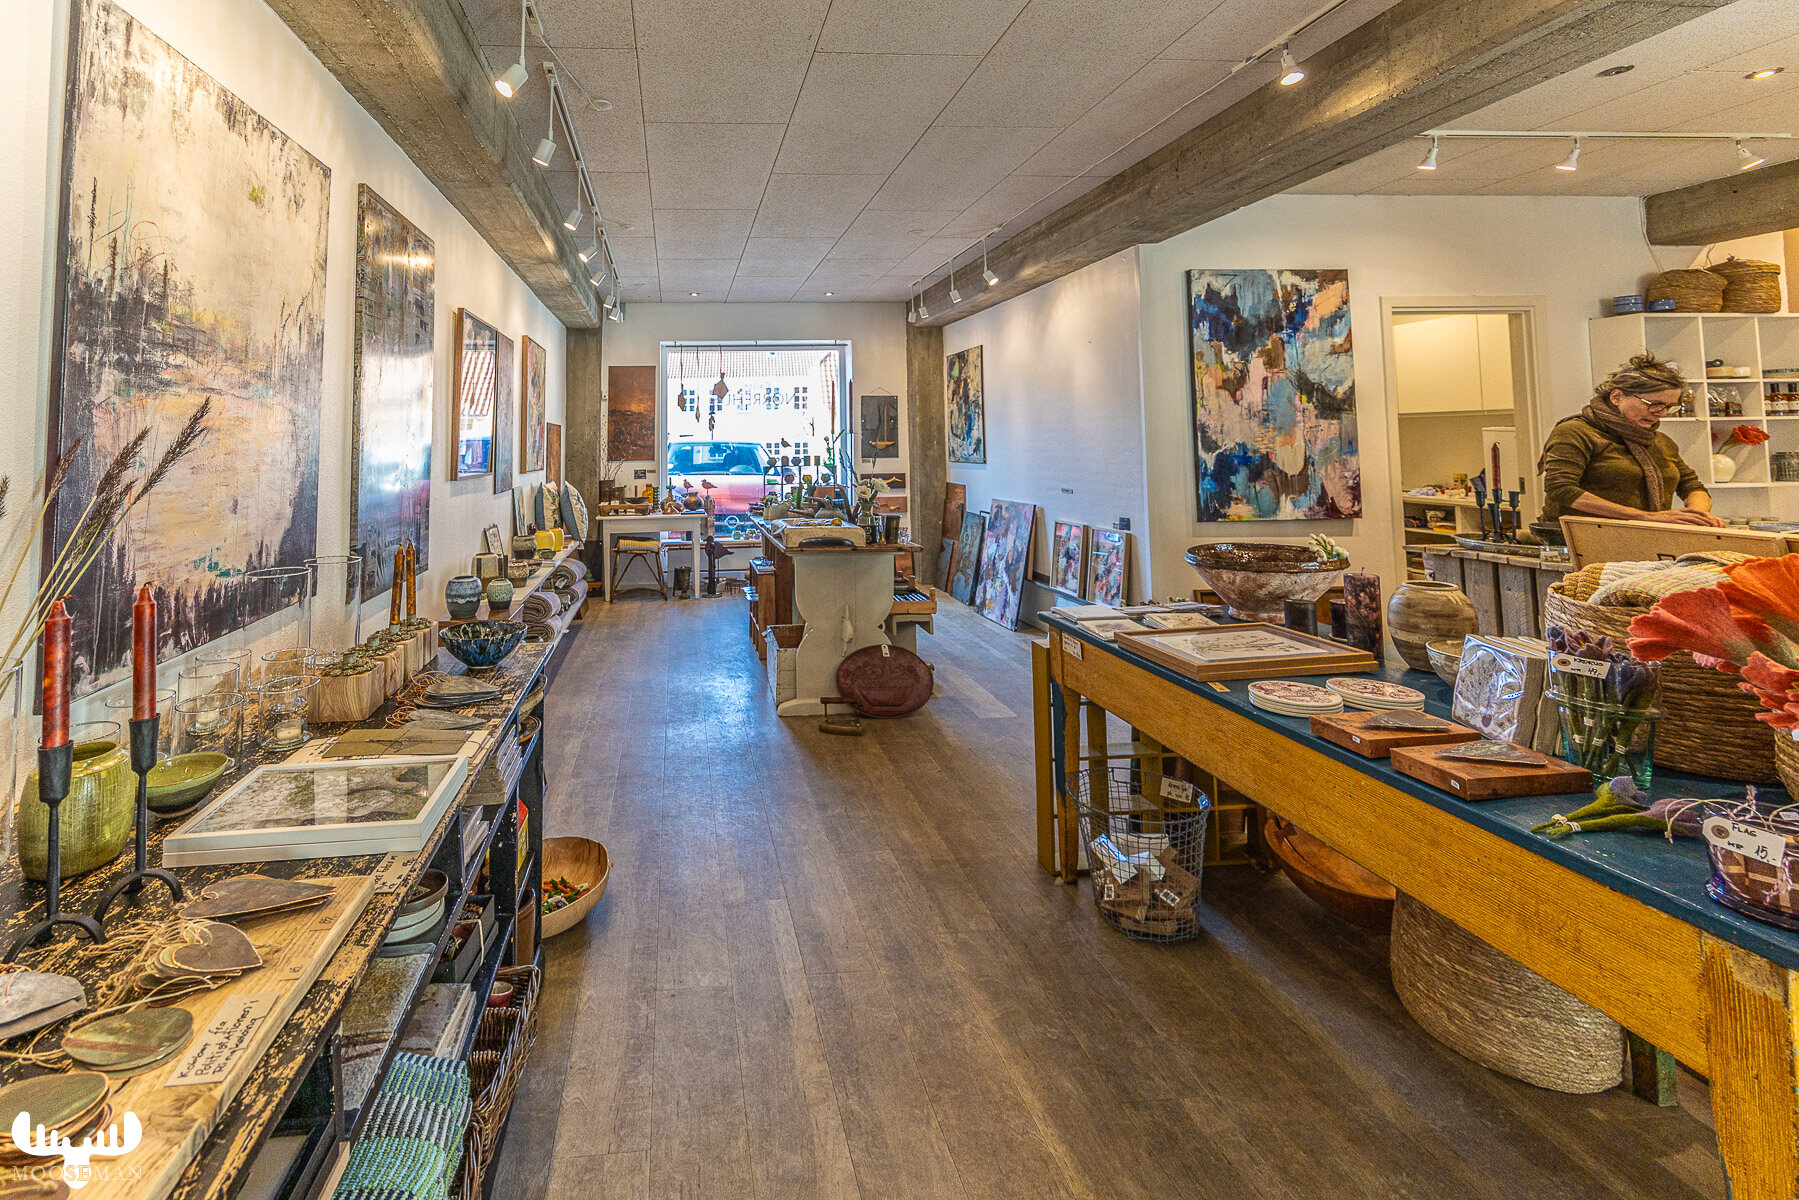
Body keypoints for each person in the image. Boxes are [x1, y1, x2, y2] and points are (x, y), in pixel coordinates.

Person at [1537, 353, 1724, 527]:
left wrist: (1696, 516)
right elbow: (1561, 489)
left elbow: (1691, 486)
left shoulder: (1661, 442)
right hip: (1577, 537)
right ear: (1617, 397)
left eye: (1669, 407)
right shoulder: (1576, 432)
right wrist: (1644, 517)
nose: (1662, 414)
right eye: (1654, 404)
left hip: (1641, 536)